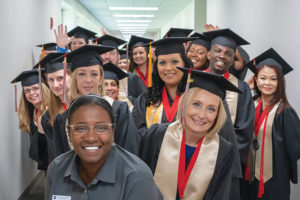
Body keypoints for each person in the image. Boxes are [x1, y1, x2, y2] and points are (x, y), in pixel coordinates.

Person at [139, 69, 242, 199]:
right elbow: (140, 184)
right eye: (196, 104)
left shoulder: (224, 151)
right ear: (185, 103)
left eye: (211, 109)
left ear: (218, 114)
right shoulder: (157, 135)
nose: (201, 115)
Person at [45, 95, 163, 200]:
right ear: (69, 134)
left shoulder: (137, 177)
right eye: (81, 128)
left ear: (113, 132)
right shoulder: (57, 169)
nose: (91, 138)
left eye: (101, 128)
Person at [52, 45, 139, 158]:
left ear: (101, 77)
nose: (88, 80)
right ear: (74, 77)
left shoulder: (119, 109)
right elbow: (61, 161)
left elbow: (129, 153)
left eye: (94, 74)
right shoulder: (63, 119)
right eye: (82, 74)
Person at [243, 48, 300, 200]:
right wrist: (246, 90)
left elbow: (295, 150)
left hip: (275, 180)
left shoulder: (285, 112)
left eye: (273, 79)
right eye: (263, 78)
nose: (267, 83)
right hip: (249, 177)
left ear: (280, 81)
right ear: (255, 80)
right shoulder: (251, 104)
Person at [203, 28, 255, 168]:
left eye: (228, 54)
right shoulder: (193, 80)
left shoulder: (241, 88)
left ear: (232, 61)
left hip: (226, 160)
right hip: (195, 154)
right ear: (209, 54)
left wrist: (227, 157)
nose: (222, 56)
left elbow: (244, 129)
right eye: (217, 51)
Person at [132, 37, 194, 136]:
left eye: (174, 62)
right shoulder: (146, 99)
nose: (168, 68)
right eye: (162, 63)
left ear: (185, 64)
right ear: (156, 67)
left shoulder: (196, 97)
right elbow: (137, 135)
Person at [11, 69, 50, 170]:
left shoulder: (51, 111)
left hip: (55, 161)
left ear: (44, 89)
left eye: (36, 88)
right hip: (43, 162)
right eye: (27, 90)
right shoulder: (30, 112)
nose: (31, 93)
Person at [37, 53, 72, 162]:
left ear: (72, 76)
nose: (55, 85)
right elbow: (54, 153)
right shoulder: (48, 117)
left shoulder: (86, 105)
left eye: (60, 78)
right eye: (51, 80)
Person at [97, 34, 147, 99]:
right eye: (104, 52)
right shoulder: (92, 79)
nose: (107, 57)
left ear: (118, 56)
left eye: (112, 53)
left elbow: (144, 102)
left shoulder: (131, 79)